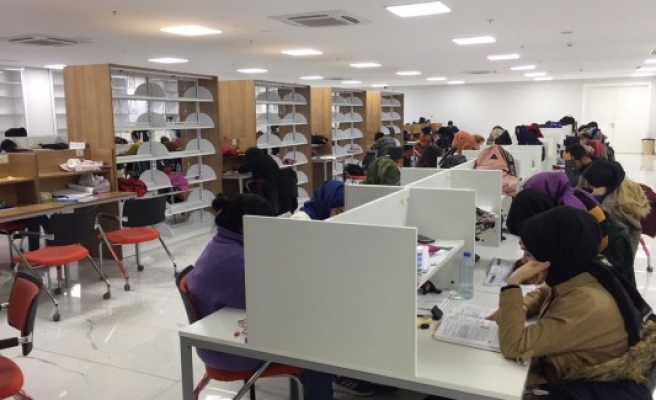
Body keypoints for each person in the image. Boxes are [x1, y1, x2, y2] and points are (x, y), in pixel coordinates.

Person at [492, 206, 654, 400]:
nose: (524, 262)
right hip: (568, 375)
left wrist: (512, 284)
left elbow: (513, 346)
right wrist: (523, 307)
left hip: (578, 388)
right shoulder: (583, 270)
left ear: (553, 253)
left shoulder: (586, 303)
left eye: (528, 254)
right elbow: (545, 292)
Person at [186, 194, 334, 399]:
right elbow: (284, 303)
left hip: (218, 341)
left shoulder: (221, 245)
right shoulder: (240, 262)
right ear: (249, 226)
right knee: (316, 345)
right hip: (231, 351)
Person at [509, 176, 636, 286]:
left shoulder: (571, 226)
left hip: (610, 257)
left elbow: (565, 277)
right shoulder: (563, 219)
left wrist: (514, 283)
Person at [581, 160, 650, 257]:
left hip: (613, 259)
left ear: (604, 186)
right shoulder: (620, 191)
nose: (590, 190)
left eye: (592, 186)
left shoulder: (613, 208)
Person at [238, 147, 281, 213]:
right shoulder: (268, 157)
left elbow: (241, 169)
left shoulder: (255, 160)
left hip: (265, 185)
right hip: (274, 183)